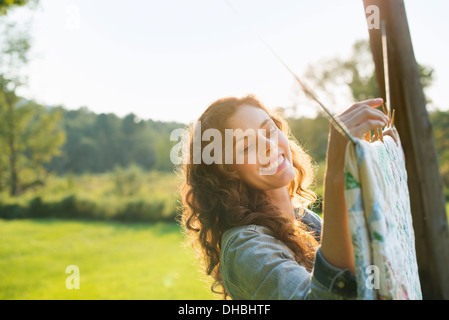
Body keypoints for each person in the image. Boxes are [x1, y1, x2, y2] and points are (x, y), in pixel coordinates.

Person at [179, 95, 398, 300]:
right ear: (228, 170)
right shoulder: (243, 248)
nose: (269, 145)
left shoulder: (305, 219)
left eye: (270, 130)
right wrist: (337, 171)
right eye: (247, 146)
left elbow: (363, 270)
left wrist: (378, 169)